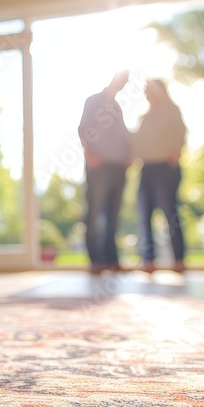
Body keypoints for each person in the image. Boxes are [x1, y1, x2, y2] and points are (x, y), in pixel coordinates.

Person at [78, 71, 131, 273]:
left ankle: (112, 260)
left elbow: (123, 136)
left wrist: (127, 157)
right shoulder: (93, 101)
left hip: (117, 167)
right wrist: (90, 154)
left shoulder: (117, 107)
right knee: (94, 213)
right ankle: (96, 262)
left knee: (113, 216)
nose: (123, 83)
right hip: (99, 167)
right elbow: (83, 129)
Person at [132, 79, 187, 272]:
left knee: (170, 212)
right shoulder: (145, 118)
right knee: (144, 213)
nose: (147, 94)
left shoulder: (171, 111)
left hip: (166, 168)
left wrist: (176, 152)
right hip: (147, 168)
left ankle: (178, 259)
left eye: (149, 90)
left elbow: (181, 133)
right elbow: (137, 142)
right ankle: (148, 260)